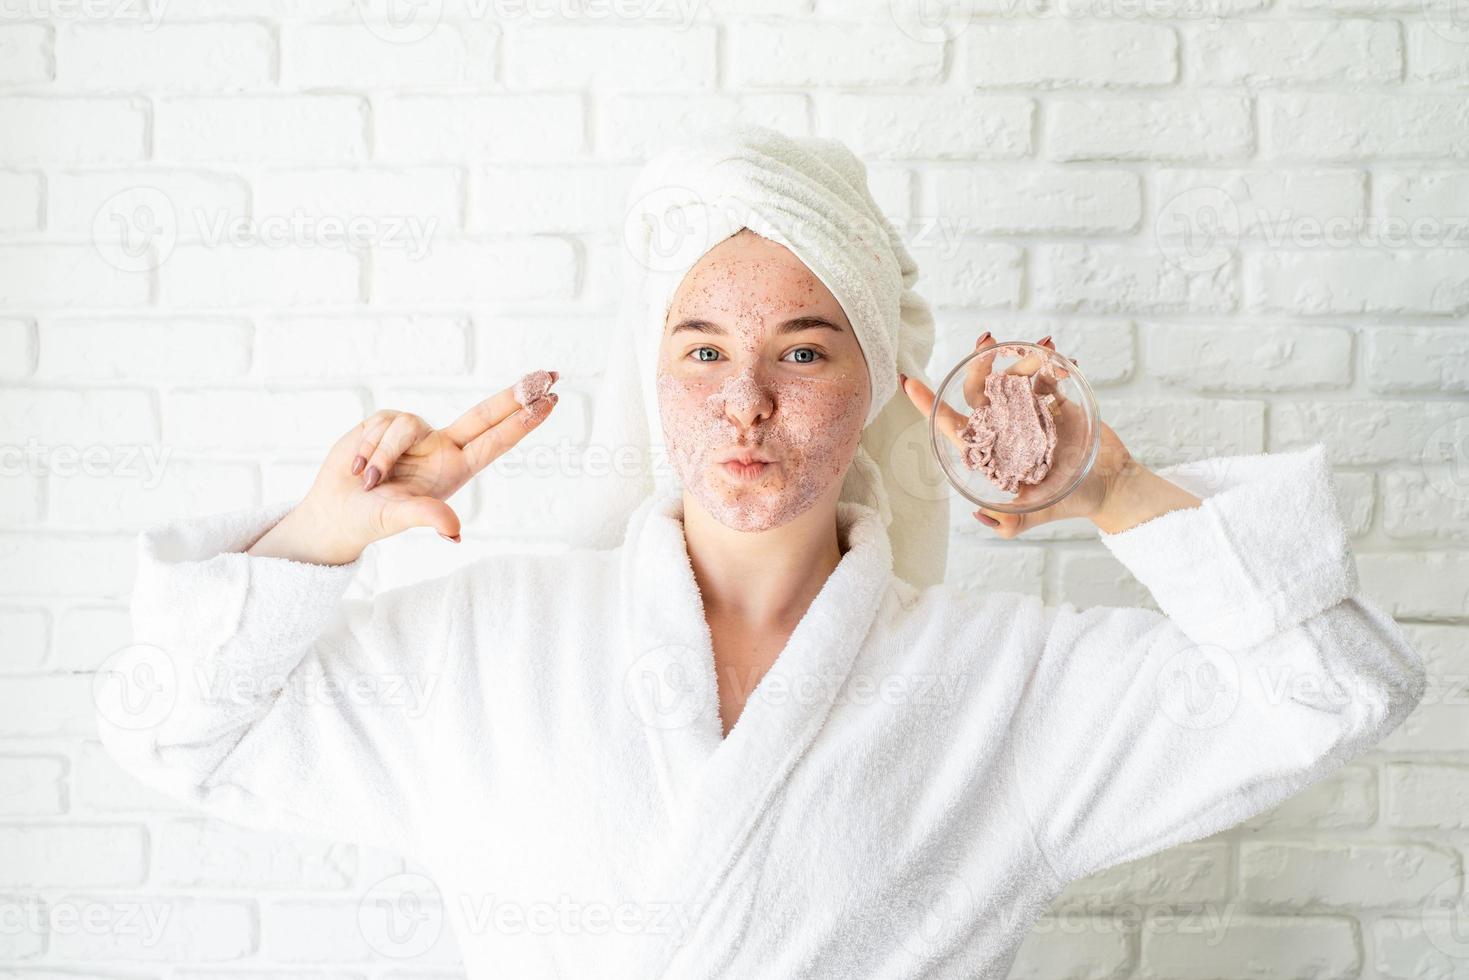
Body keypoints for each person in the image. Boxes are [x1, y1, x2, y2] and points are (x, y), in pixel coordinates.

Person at [99, 126, 1427, 979]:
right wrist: (322, 541)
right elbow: (174, 734)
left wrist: (1116, 490)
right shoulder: (479, 646)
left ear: (880, 384)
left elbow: (1337, 691)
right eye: (702, 353)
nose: (746, 402)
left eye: (802, 350)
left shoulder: (1000, 685)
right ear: (654, 380)